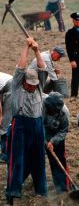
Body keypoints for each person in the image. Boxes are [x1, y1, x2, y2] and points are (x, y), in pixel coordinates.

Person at [5, 38, 48, 205]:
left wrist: (37, 50)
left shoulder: (39, 86)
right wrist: (26, 47)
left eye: (34, 84)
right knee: (17, 159)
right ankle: (13, 191)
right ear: (23, 81)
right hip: (20, 125)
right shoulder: (16, 86)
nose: (32, 87)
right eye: (29, 84)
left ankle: (41, 190)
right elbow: (20, 68)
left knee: (39, 158)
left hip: (37, 125)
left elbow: (43, 68)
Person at [43, 92, 70, 194]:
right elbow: (37, 123)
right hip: (41, 132)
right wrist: (43, 138)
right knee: (35, 158)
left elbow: (63, 131)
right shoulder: (41, 107)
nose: (55, 111)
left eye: (57, 110)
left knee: (58, 159)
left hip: (56, 134)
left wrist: (53, 141)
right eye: (53, 109)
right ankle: (39, 185)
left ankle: (61, 187)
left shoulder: (64, 113)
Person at [0, 72, 12, 163]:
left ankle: (5, 155)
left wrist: (0, 116)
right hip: (5, 90)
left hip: (11, 88)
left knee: (5, 124)